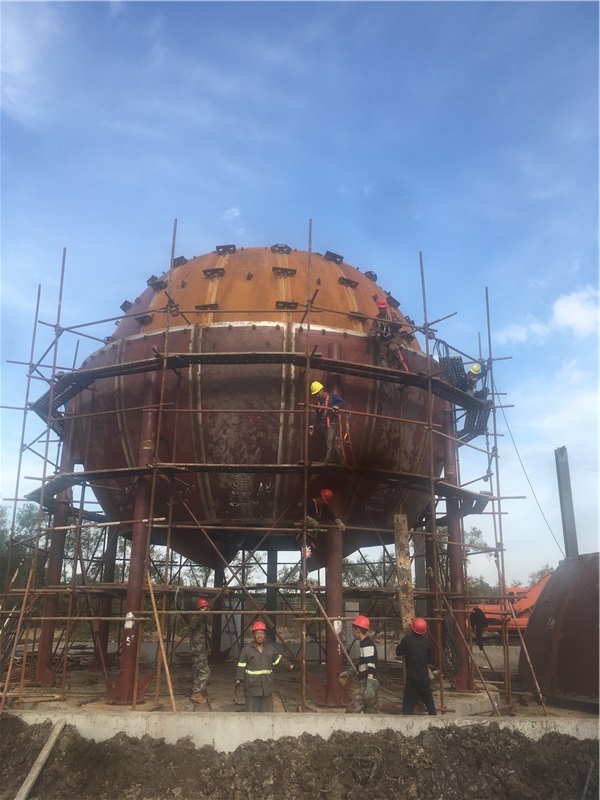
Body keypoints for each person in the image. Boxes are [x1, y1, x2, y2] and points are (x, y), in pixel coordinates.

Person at [235, 620, 294, 711]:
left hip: (267, 688)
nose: (260, 636)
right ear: (253, 635)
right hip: (252, 689)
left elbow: (279, 660)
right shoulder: (246, 650)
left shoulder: (270, 649)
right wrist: (238, 679)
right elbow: (241, 665)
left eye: (262, 633)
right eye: (257, 633)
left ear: (265, 635)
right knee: (251, 715)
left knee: (267, 716)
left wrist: (290, 666)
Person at [395, 617, 437, 716]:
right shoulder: (426, 642)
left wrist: (401, 642)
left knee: (407, 709)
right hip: (424, 678)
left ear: (412, 628)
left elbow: (398, 652)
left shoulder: (406, 641)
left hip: (412, 679)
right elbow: (430, 660)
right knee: (431, 707)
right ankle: (436, 722)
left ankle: (406, 724)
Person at [338, 615, 379, 714]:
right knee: (370, 711)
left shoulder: (366, 644)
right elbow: (362, 664)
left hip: (366, 683)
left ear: (357, 630)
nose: (352, 632)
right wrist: (349, 672)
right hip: (368, 682)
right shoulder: (364, 643)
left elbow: (371, 665)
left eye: (353, 629)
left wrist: (369, 685)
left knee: (351, 711)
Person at [297, 487, 346, 555]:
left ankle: (308, 560)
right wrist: (311, 521)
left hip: (312, 534)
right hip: (305, 533)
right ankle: (305, 560)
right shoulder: (309, 502)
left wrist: (338, 521)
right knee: (306, 554)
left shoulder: (321, 507)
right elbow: (300, 513)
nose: (324, 503)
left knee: (311, 554)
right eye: (323, 501)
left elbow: (329, 514)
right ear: (319, 497)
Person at [308, 381, 346, 463]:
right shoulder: (318, 403)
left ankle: (326, 463)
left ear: (322, 390)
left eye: (317, 393)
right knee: (332, 444)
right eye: (315, 394)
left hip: (333, 423)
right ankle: (341, 463)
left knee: (329, 444)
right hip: (325, 423)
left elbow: (342, 402)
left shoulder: (332, 397)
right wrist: (313, 425)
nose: (317, 395)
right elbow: (318, 416)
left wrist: (337, 406)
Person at [371, 297, 409, 371]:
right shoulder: (377, 318)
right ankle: (385, 369)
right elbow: (373, 329)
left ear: (386, 307)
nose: (381, 310)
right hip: (384, 339)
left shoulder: (392, 315)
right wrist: (371, 334)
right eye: (380, 308)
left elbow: (400, 325)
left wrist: (395, 322)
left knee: (393, 348)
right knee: (382, 356)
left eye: (383, 308)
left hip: (394, 337)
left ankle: (398, 364)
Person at [189, 596, 211, 705]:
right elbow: (192, 624)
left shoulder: (204, 620)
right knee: (205, 672)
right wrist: (201, 614)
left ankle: (199, 689)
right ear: (200, 609)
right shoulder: (196, 618)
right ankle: (197, 693)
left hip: (202, 649)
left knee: (198, 671)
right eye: (205, 608)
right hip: (198, 650)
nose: (207, 610)